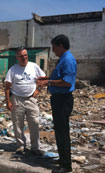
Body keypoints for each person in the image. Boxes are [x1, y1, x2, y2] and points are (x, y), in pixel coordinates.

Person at [38, 34, 77, 173]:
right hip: (58, 99)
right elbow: (59, 78)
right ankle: (62, 160)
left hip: (63, 100)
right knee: (60, 131)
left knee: (63, 133)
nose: (53, 50)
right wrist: (47, 78)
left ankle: (66, 166)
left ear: (60, 45)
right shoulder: (63, 59)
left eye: (54, 47)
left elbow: (67, 82)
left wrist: (48, 82)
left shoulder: (68, 60)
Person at [4, 47, 46, 156]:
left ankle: (35, 147)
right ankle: (21, 146)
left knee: (34, 123)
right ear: (17, 57)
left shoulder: (34, 66)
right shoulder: (13, 69)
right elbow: (7, 87)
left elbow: (43, 79)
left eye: (25, 55)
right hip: (17, 99)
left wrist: (38, 90)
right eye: (21, 56)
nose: (24, 58)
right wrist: (8, 102)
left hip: (31, 99)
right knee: (18, 124)